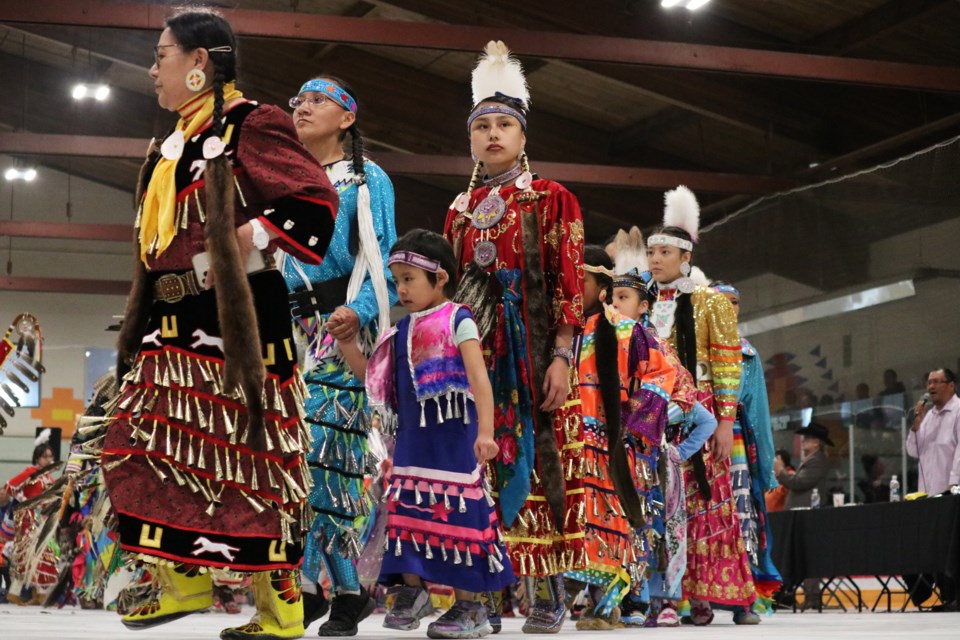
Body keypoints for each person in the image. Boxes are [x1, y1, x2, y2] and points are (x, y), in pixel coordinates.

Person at [100, 8, 338, 639]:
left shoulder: (248, 123)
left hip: (236, 322)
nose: (153, 70)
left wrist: (242, 238)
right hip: (168, 321)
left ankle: (280, 606)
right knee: (140, 448)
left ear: (199, 62)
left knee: (251, 460)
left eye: (162, 56)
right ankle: (185, 578)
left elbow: (314, 199)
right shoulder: (172, 143)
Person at [443, 41, 586, 633]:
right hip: (473, 359)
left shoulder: (552, 199)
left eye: (505, 125)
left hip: (531, 358)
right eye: (483, 126)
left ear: (523, 135)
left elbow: (569, 288)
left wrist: (561, 356)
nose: (493, 134)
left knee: (536, 462)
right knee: (475, 468)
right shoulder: (458, 210)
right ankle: (477, 601)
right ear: (471, 138)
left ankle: (547, 593)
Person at [337, 230, 514, 638]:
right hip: (414, 444)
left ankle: (470, 606)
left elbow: (479, 380)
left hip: (456, 442)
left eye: (409, 279)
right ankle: (412, 593)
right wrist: (348, 343)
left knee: (461, 518)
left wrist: (485, 433)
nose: (401, 288)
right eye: (396, 279)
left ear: (441, 279)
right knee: (407, 513)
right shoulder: (399, 332)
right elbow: (375, 381)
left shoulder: (459, 319)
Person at [281, 74, 398, 636]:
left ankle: (349, 590)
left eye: (318, 101)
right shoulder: (283, 180)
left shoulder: (364, 178)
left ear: (347, 118)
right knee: (296, 466)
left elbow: (384, 264)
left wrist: (360, 315)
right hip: (291, 335)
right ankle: (317, 589)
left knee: (330, 458)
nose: (303, 107)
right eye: (298, 100)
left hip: (342, 329)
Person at [644, 187, 754, 624]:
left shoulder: (710, 302)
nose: (654, 259)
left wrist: (725, 421)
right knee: (660, 500)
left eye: (664, 252)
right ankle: (665, 594)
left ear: (684, 257)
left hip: (701, 416)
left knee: (706, 502)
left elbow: (728, 363)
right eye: (651, 252)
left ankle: (706, 594)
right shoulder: (643, 301)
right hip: (655, 413)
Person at [565, 246, 675, 629]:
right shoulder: (565, 333)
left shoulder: (627, 330)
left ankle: (610, 603)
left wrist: (635, 431)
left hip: (611, 442)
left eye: (580, 280)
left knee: (609, 522)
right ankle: (588, 601)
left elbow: (662, 377)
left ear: (601, 288)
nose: (571, 287)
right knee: (578, 523)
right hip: (571, 442)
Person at [710, 280, 781, 622]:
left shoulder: (747, 353)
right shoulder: (694, 347)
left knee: (739, 518)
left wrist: (765, 468)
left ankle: (743, 598)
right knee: (698, 518)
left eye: (735, 303)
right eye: (721, 302)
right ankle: (686, 598)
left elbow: (758, 413)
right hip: (694, 436)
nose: (729, 308)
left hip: (736, 440)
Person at [0, 432, 59, 605]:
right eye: (44, 457)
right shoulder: (31, 472)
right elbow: (9, 486)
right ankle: (17, 591)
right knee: (27, 553)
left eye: (50, 456)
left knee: (43, 554)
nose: (48, 460)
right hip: (29, 519)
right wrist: (24, 500)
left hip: (43, 519)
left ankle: (38, 592)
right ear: (37, 458)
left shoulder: (48, 477)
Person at [906, 368, 960, 496]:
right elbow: (913, 451)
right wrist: (916, 427)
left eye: (936, 382)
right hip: (927, 495)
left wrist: (954, 484)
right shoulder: (929, 416)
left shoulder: (958, 410)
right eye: (929, 383)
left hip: (951, 493)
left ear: (951, 385)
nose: (931, 387)